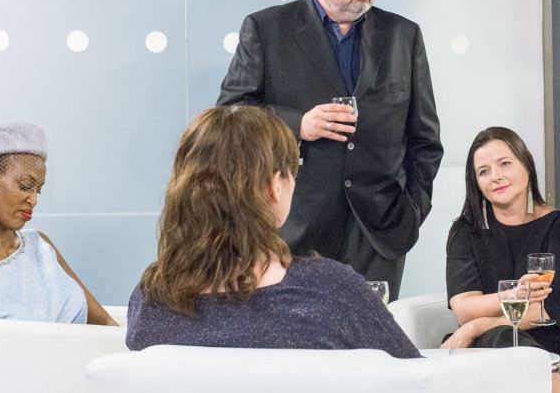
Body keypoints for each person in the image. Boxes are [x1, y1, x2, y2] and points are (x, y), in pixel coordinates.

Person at [217, 0, 443, 300]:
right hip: (294, 231)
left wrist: (412, 209)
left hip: (379, 232)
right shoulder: (267, 29)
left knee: (368, 337)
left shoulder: (403, 35)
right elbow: (231, 114)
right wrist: (298, 125)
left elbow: (425, 139)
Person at [127, 105, 420, 357]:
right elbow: (414, 386)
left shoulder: (150, 300)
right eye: (295, 170)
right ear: (274, 187)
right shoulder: (334, 293)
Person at [445, 127, 560, 393]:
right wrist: (514, 295)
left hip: (555, 347)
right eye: (484, 171)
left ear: (526, 164)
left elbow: (548, 310)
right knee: (496, 339)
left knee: (499, 337)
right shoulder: (465, 232)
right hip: (487, 348)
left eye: (505, 163)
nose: (495, 176)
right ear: (476, 183)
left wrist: (477, 325)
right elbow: (464, 308)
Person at [0, 121, 116, 325]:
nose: (34, 200)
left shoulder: (40, 244)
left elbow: (105, 323)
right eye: (25, 185)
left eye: (38, 190)